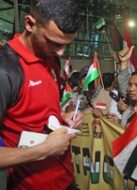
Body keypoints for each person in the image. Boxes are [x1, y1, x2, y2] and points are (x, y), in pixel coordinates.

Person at [0, 0, 82, 189]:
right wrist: (44, 150)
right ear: (29, 24)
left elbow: (38, 111)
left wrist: (65, 116)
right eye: (54, 42)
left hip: (66, 180)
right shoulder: (5, 71)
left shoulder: (51, 59)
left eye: (66, 45)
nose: (60, 52)